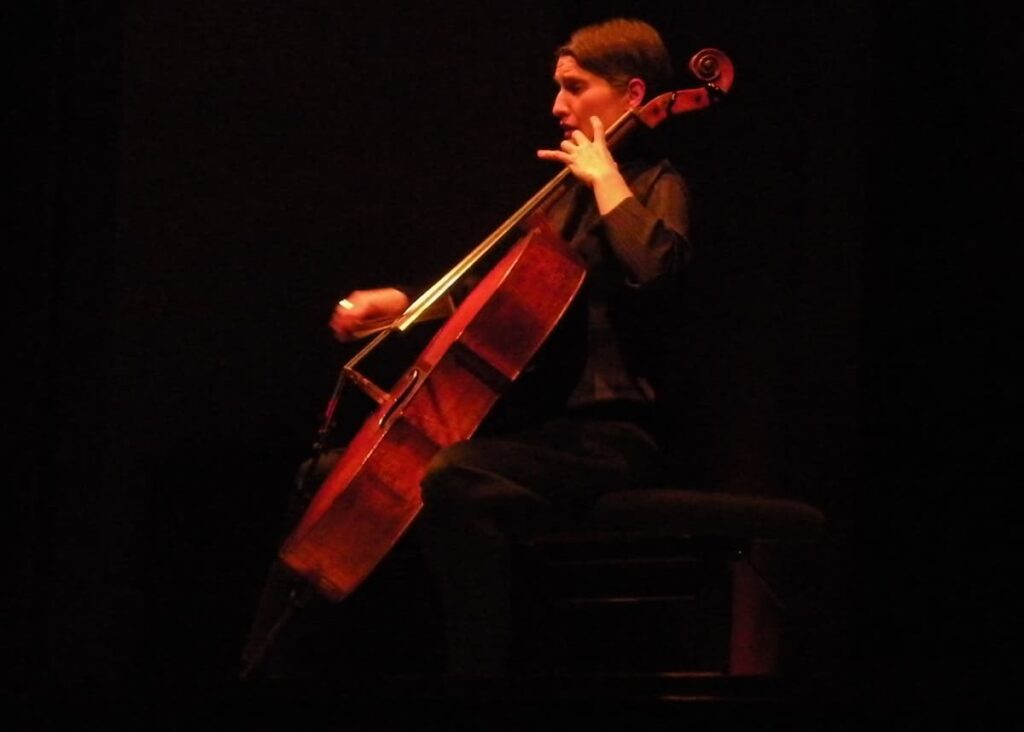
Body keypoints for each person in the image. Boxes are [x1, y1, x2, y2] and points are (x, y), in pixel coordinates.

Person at [243, 17, 691, 687]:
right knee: (328, 474)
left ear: (631, 95)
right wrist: (406, 302)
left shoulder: (656, 182)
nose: (557, 106)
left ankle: (483, 679)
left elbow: (654, 266)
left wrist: (605, 179)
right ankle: (271, 675)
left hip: (613, 434)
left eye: (574, 88)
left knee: (451, 477)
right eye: (556, 89)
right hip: (535, 433)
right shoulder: (563, 199)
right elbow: (501, 297)